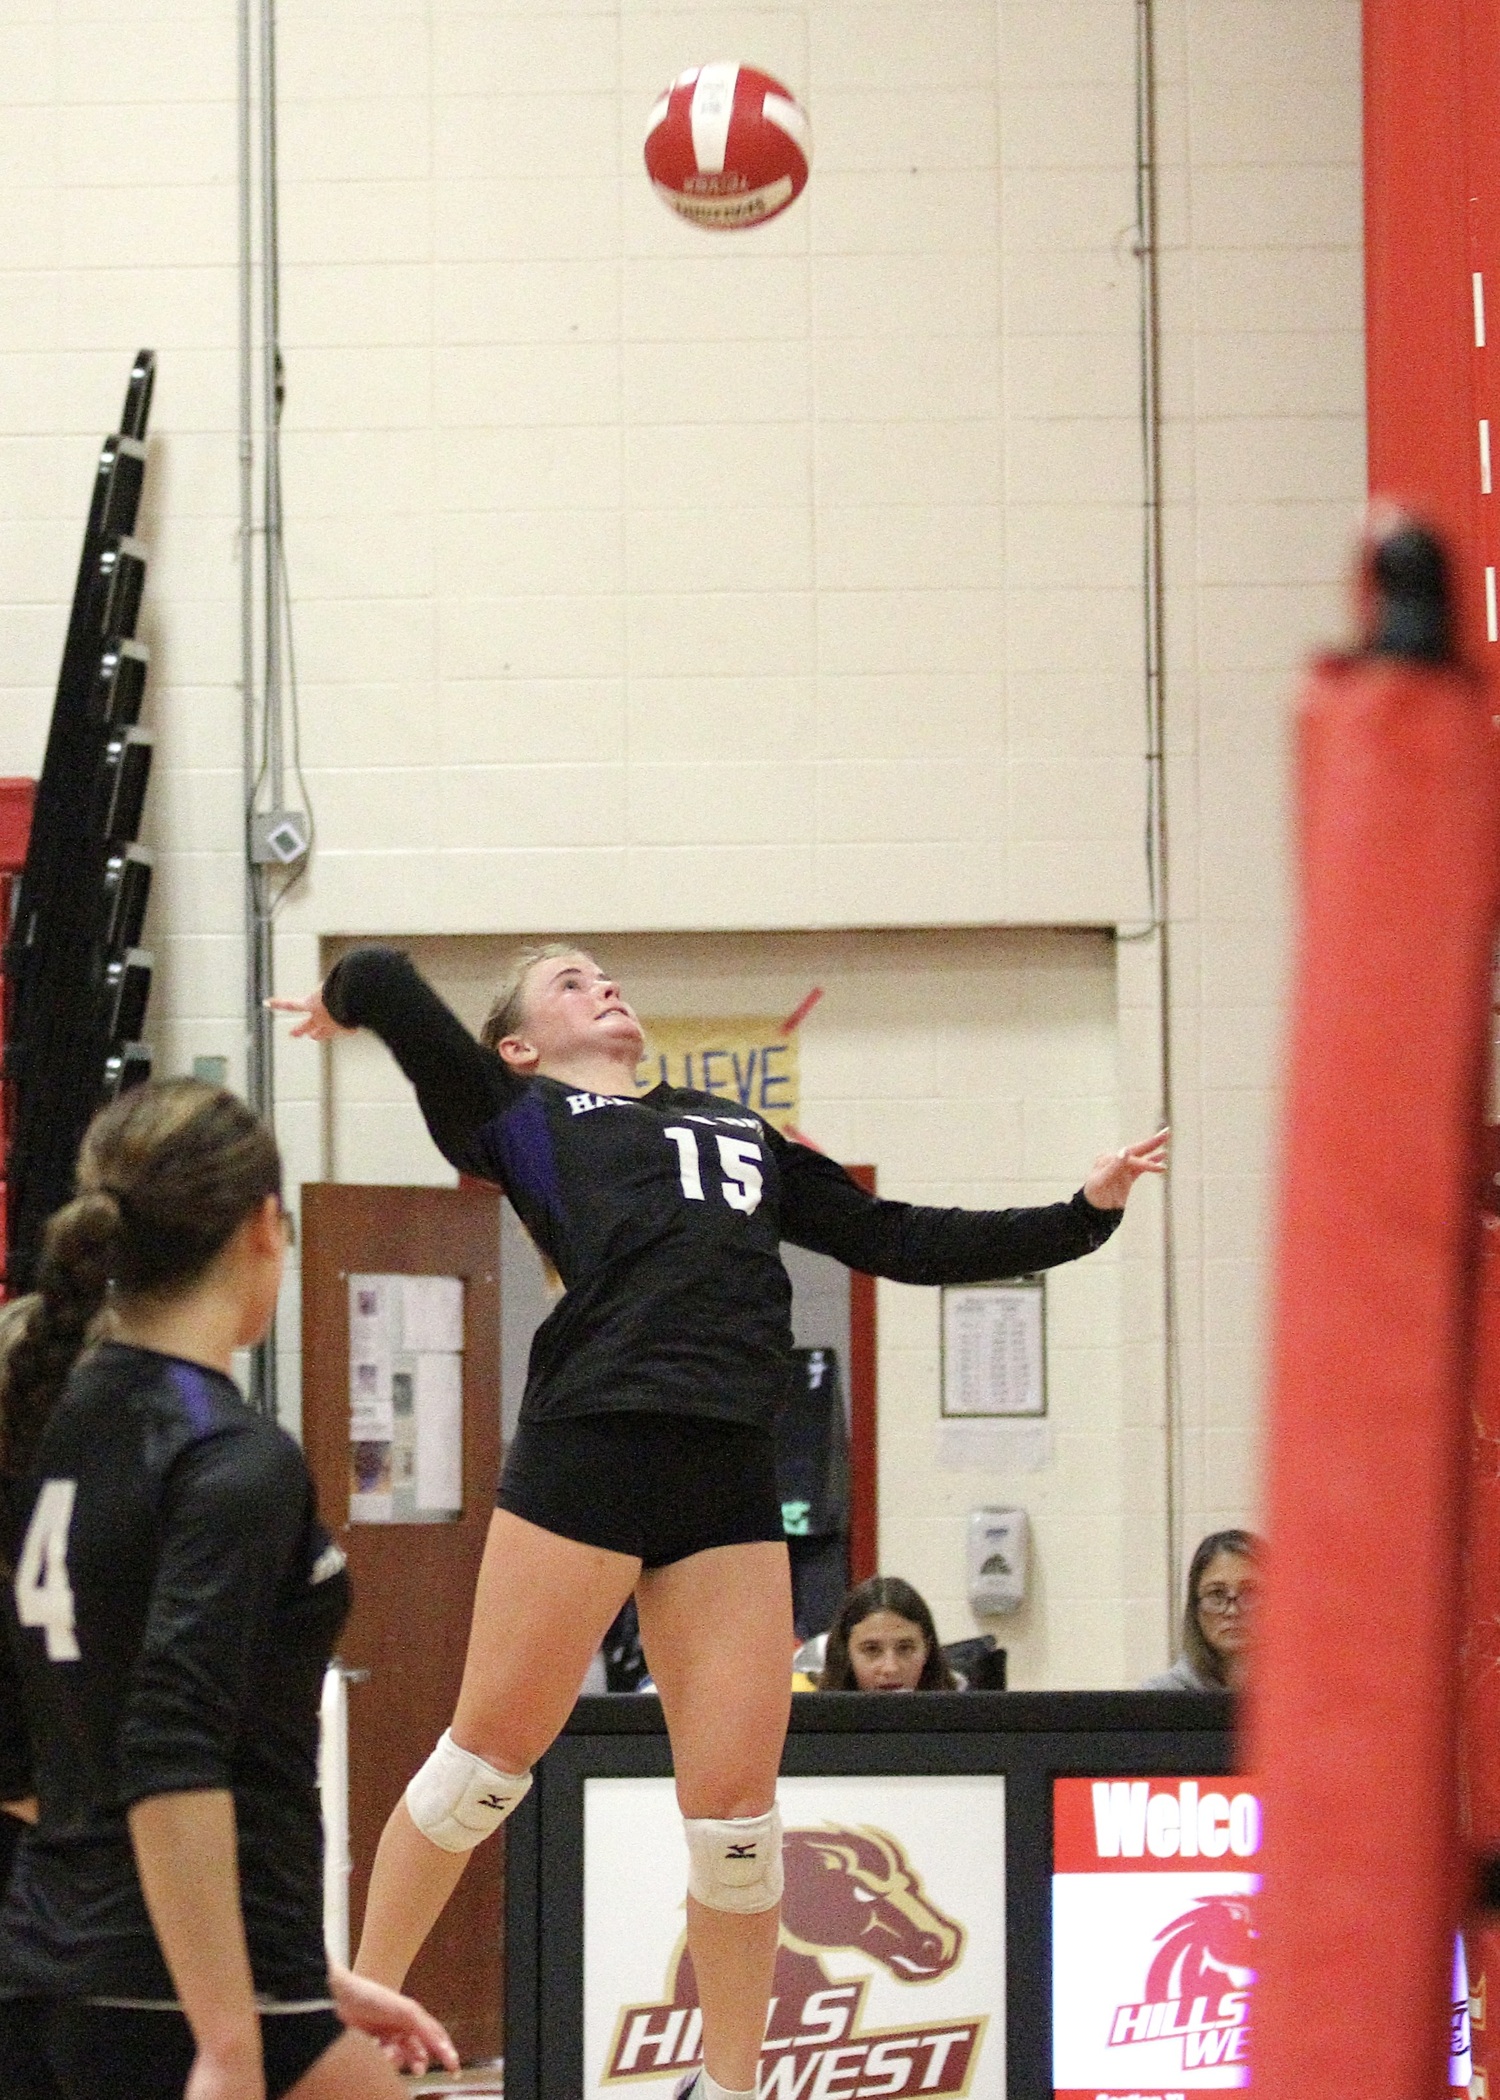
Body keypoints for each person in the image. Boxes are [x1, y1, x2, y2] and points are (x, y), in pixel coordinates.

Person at [272, 943, 1167, 2100]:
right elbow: (391, 978)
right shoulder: (525, 1116)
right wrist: (340, 1005)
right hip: (591, 1445)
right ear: (519, 1044)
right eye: (569, 981)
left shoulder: (740, 1131)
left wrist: (1079, 1214)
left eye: (605, 973)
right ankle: (353, 2033)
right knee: (481, 1769)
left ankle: (733, 2088)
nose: (602, 984)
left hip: (731, 1472)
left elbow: (893, 1236)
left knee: (739, 1826)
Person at [0, 1079, 458, 2100]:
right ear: (265, 1227)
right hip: (192, 2007)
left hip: (49, 1982)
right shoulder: (228, 1457)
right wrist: (231, 2034)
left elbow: (27, 1747)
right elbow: (168, 1748)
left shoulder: (44, 1416)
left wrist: (304, 1978)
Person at [1142, 1528, 1261, 1693]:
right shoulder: (1160, 1697)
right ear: (1195, 1607)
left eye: (1250, 1593)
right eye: (1216, 1594)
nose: (1232, 1610)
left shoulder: (1301, 1695)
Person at [816, 1576, 957, 1692]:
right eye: (872, 1649)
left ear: (927, 1649)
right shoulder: (809, 1722)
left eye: (905, 1648)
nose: (890, 1668)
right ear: (846, 1653)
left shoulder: (965, 1718)